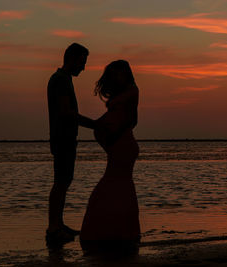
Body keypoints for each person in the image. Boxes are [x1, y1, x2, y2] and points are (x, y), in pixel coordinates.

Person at [80, 60, 140, 252]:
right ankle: (116, 230)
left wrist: (114, 134)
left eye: (120, 73)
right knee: (117, 186)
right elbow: (111, 118)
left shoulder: (132, 91)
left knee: (114, 185)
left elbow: (132, 119)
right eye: (114, 74)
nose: (117, 77)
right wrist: (96, 126)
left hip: (123, 144)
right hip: (116, 144)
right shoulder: (120, 94)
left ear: (127, 74)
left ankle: (116, 231)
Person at [47, 43, 96, 245]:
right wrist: (94, 124)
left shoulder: (63, 79)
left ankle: (58, 223)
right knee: (61, 182)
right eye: (82, 62)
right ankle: (54, 227)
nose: (83, 68)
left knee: (64, 181)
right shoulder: (60, 80)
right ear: (72, 58)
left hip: (64, 137)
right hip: (62, 138)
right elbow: (66, 112)